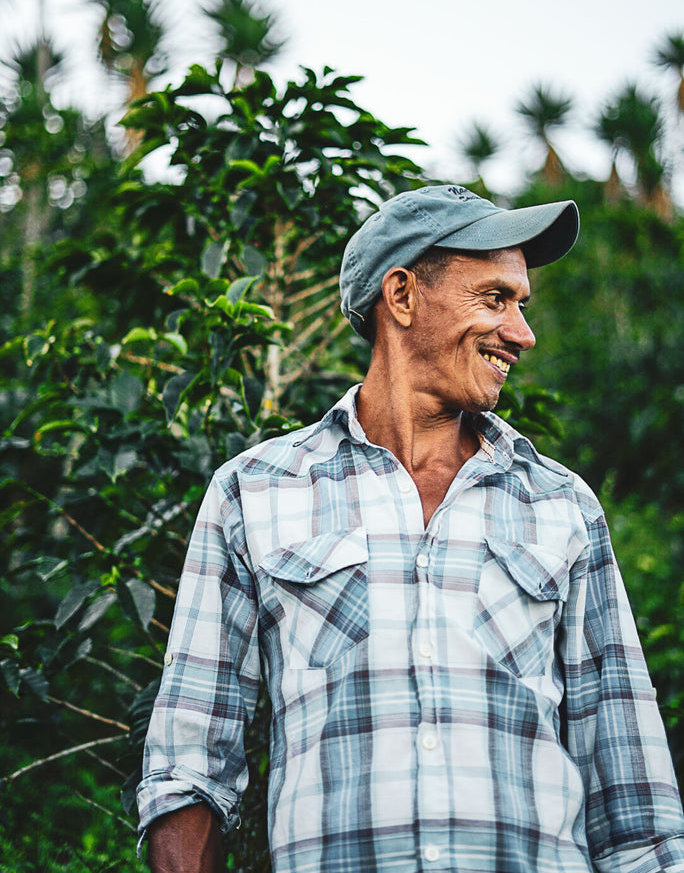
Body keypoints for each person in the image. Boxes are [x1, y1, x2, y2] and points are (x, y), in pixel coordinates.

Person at [137, 185, 684, 873]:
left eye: (521, 304)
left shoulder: (561, 505)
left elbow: (634, 804)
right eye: (494, 299)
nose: (522, 333)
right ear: (401, 297)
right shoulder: (255, 491)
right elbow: (188, 769)